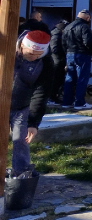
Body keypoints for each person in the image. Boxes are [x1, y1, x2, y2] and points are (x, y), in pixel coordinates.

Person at [10, 31, 54, 178]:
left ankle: (21, 174)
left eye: (38, 54)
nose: (34, 57)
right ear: (22, 46)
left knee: (21, 139)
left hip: (21, 107)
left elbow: (41, 93)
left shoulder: (46, 63)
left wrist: (33, 122)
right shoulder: (7, 50)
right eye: (31, 53)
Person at [61, 9, 92, 110]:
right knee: (82, 79)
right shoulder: (84, 27)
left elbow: (63, 43)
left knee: (69, 78)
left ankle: (66, 102)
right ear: (88, 17)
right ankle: (79, 103)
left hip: (69, 54)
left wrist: (67, 53)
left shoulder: (68, 27)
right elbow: (89, 42)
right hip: (82, 55)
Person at [48, 19, 68, 105]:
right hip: (57, 60)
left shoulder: (57, 33)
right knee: (55, 80)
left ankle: (53, 97)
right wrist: (64, 52)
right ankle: (51, 98)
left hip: (58, 60)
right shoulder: (56, 34)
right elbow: (54, 49)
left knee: (58, 80)